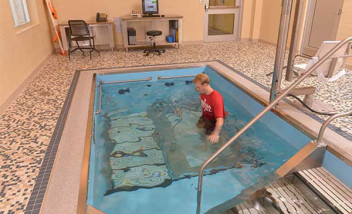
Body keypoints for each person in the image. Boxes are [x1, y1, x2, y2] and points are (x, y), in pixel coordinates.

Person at [193, 73, 228, 144]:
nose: (197, 89)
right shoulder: (203, 92)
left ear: (205, 85)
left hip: (214, 120)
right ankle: (204, 144)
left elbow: (220, 120)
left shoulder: (216, 98)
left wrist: (215, 134)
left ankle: (207, 147)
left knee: (209, 138)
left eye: (198, 87)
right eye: (196, 87)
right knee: (198, 129)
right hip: (205, 116)